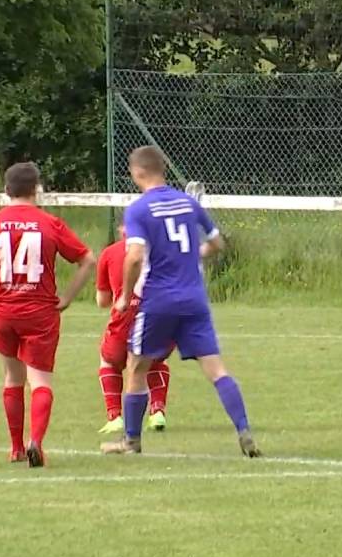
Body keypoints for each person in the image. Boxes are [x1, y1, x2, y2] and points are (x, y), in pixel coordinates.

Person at [101, 146, 260, 457]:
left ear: (136, 172)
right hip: (194, 298)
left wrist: (123, 297)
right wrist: (192, 255)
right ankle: (244, 430)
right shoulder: (188, 202)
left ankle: (131, 441)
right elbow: (216, 243)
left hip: (158, 300)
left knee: (136, 365)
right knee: (216, 369)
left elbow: (133, 257)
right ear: (163, 168)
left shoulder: (139, 209)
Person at [0, 162, 96, 467]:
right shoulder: (50, 223)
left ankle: (16, 447)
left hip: (3, 311)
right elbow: (87, 260)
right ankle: (37, 442)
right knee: (40, 379)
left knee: (12, 377)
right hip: (40, 311)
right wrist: (67, 297)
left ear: (6, 190)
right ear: (37, 190)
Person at [95, 224, 172, 434]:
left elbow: (102, 300)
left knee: (109, 361)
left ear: (123, 231)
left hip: (125, 320)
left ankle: (114, 416)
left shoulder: (110, 253)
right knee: (156, 360)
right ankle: (157, 411)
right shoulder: (164, 249)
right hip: (161, 319)